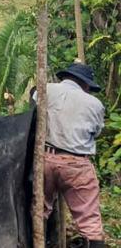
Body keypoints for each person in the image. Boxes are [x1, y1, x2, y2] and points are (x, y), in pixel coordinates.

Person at [35, 61, 105, 247]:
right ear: (86, 84)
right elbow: (96, 132)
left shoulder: (47, 89)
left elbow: (33, 99)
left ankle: (39, 241)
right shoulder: (95, 104)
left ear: (66, 77)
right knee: (89, 220)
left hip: (45, 158)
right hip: (76, 163)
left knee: (39, 211)